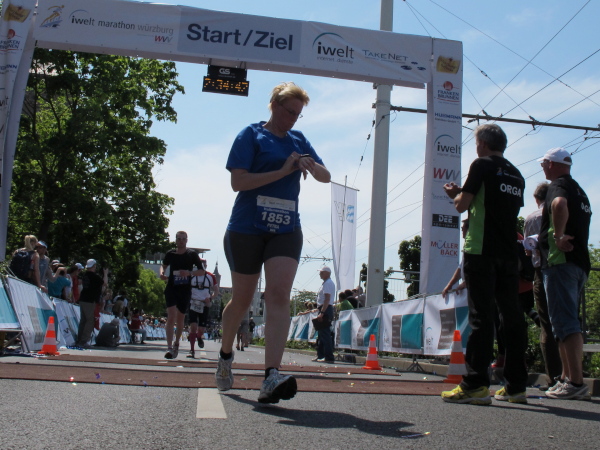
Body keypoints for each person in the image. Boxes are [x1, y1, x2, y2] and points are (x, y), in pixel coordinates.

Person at [216, 81, 331, 404]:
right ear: (274, 106)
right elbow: (238, 182)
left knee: (279, 294)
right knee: (242, 300)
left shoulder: (298, 140)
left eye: (298, 114)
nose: (293, 119)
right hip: (247, 228)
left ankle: (271, 376)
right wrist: (283, 170)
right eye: (289, 111)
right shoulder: (251, 135)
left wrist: (309, 164)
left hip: (285, 228)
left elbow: (326, 176)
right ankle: (225, 355)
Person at [441, 123, 527, 405]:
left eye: (476, 142)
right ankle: (516, 386)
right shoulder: (516, 174)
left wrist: (454, 193)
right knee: (512, 318)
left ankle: (475, 384)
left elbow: (462, 205)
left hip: (480, 249)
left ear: (483, 144)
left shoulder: (481, 165)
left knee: (481, 317)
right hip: (509, 253)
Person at [538, 147, 591, 400]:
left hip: (561, 262)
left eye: (544, 164)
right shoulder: (579, 190)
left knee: (566, 322)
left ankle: (576, 382)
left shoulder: (558, 187)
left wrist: (558, 237)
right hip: (579, 262)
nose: (542, 168)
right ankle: (566, 378)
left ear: (552, 164)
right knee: (562, 321)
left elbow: (559, 204)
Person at [523, 182, 562, 390]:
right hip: (564, 267)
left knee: (546, 324)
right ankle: (571, 375)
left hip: (541, 270)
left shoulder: (531, 218)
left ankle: (554, 377)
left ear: (536, 198)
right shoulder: (562, 211)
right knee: (567, 322)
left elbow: (528, 250)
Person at [160, 231, 205, 359]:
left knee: (180, 318)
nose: (181, 241)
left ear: (186, 240)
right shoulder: (170, 253)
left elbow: (201, 271)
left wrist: (189, 273)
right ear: (175, 240)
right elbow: (163, 266)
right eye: (178, 238)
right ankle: (169, 347)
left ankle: (176, 343)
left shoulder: (192, 254)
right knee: (171, 316)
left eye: (183, 239)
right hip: (172, 287)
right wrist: (162, 273)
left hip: (184, 290)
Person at [74, 259, 108, 349]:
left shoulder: (85, 275)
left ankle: (79, 340)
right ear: (94, 266)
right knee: (90, 321)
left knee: (83, 320)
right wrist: (105, 274)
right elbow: (105, 283)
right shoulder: (94, 276)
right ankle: (84, 341)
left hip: (83, 299)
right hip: (90, 300)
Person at [187, 265, 218, 358]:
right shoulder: (191, 275)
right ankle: (192, 350)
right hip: (193, 303)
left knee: (201, 329)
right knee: (193, 326)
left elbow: (216, 291)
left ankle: (199, 336)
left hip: (204, 304)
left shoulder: (210, 276)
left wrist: (210, 298)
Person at [312, 266, 336, 363]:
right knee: (321, 334)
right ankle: (321, 355)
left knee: (325, 334)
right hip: (324, 308)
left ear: (327, 273)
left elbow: (327, 299)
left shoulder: (328, 283)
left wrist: (322, 312)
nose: (320, 274)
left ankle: (329, 356)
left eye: (322, 272)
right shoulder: (326, 283)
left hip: (325, 309)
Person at [442, 218, 469, 298]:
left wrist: (467, 282)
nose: (462, 230)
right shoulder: (467, 246)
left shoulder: (475, 246)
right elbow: (460, 268)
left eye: (463, 228)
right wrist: (450, 285)